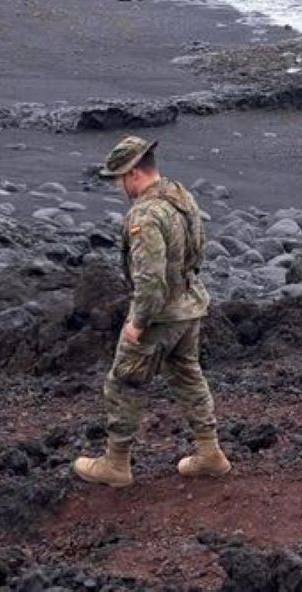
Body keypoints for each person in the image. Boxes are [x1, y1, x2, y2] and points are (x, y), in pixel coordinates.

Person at [73, 134, 230, 487]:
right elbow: (199, 248)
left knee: (123, 382)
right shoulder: (180, 195)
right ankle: (210, 452)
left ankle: (116, 463)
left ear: (133, 173)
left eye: (119, 179)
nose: (118, 187)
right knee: (188, 375)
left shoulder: (145, 214)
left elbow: (150, 278)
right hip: (190, 306)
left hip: (161, 315)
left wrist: (138, 322)